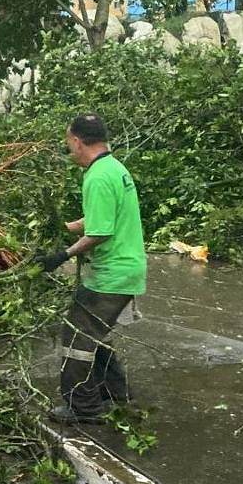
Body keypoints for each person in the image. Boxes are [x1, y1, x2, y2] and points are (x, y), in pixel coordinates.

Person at [37, 114, 147, 424]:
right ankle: (114, 393)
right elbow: (100, 218)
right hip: (124, 270)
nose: (67, 150)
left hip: (111, 275)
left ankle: (83, 406)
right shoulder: (113, 168)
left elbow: (101, 232)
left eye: (67, 143)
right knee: (95, 334)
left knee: (76, 336)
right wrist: (66, 227)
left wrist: (63, 254)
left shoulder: (97, 177)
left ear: (76, 140)